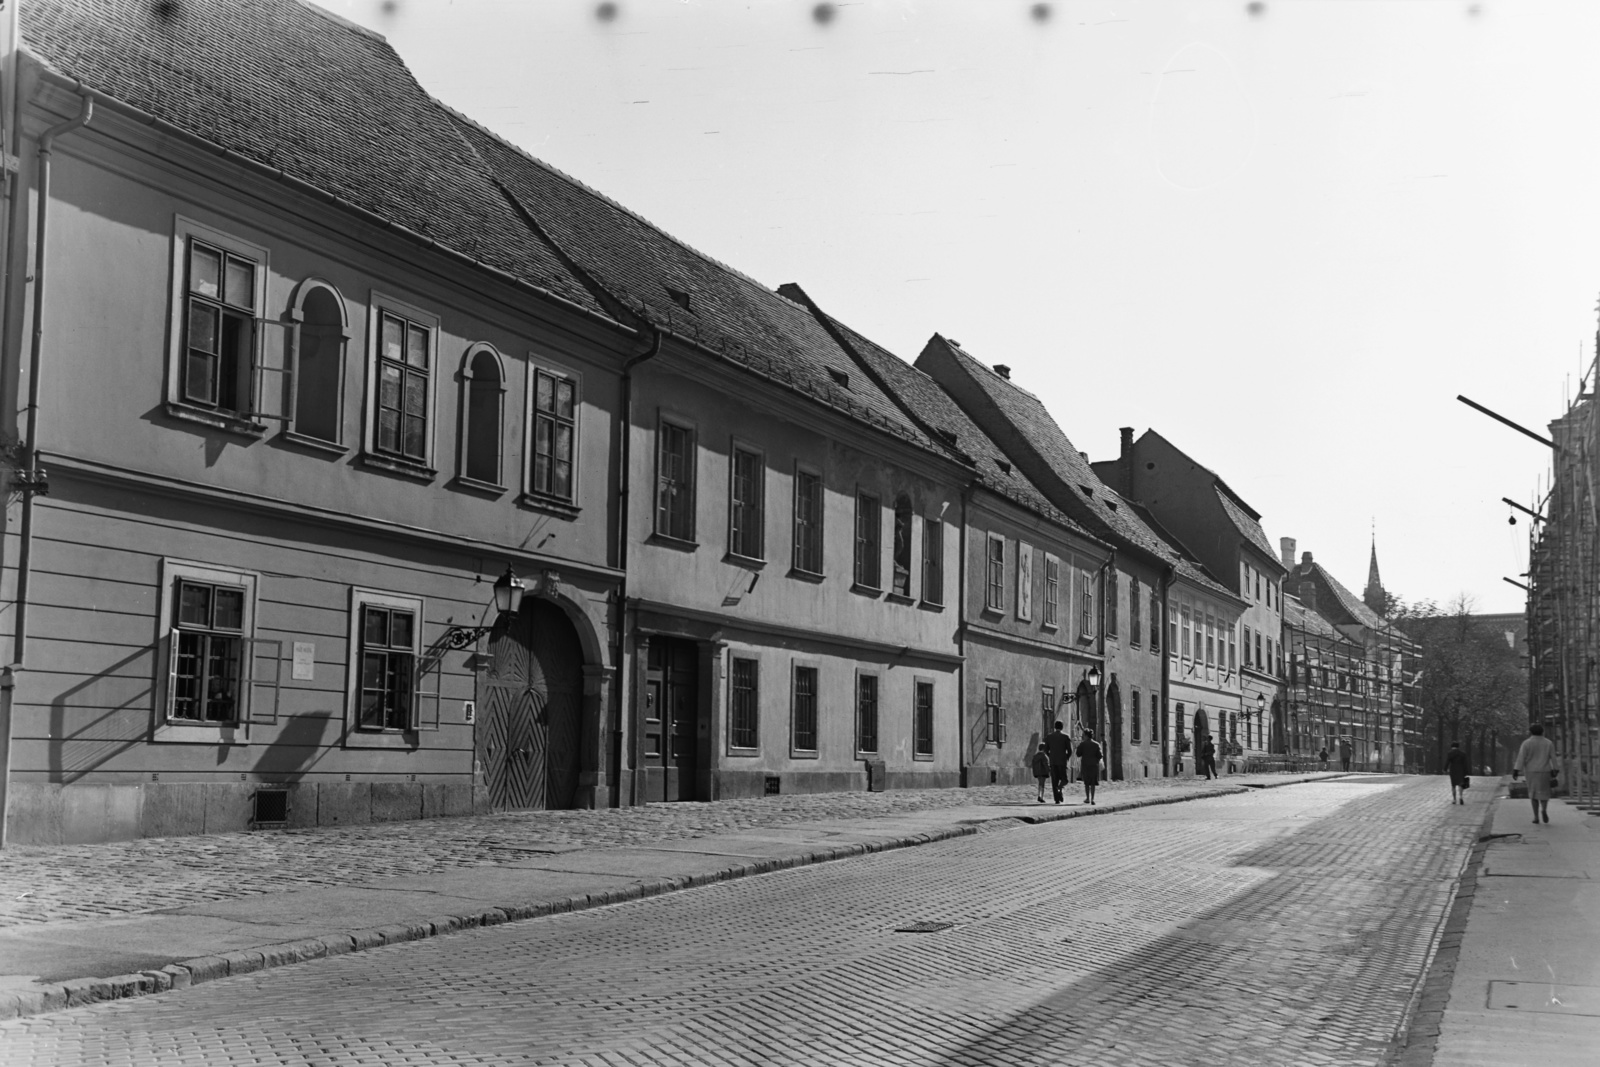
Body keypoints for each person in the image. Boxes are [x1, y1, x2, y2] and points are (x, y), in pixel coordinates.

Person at [1512, 723, 1558, 825]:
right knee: (1544, 793)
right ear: (1542, 732)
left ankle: (1536, 817)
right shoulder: (1548, 743)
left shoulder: (1526, 743)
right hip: (1545, 771)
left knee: (1533, 794)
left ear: (1530, 732)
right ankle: (1544, 809)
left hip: (1531, 771)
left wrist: (1516, 770)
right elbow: (1553, 757)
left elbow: (1521, 757)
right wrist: (1555, 769)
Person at [1043, 720, 1072, 805]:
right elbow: (1069, 750)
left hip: (1053, 761)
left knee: (1054, 780)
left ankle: (1056, 799)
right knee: (1065, 779)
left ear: (1055, 727)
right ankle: (1059, 788)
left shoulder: (1049, 737)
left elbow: (1045, 750)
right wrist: (1066, 757)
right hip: (1062, 762)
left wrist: (1050, 756)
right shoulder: (1065, 737)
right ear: (1062, 727)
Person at [1076, 728, 1104, 805]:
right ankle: (1093, 799)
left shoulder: (1082, 744)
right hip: (1094, 765)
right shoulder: (1096, 744)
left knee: (1087, 783)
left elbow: (1078, 754)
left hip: (1085, 765)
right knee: (1093, 783)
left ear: (1086, 735)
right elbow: (1100, 755)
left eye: (1083, 735)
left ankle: (1087, 798)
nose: (1083, 737)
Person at [1444, 741, 1470, 805]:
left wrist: (1445, 769)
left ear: (1452, 746)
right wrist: (1466, 771)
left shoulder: (1450, 753)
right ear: (1458, 747)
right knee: (1461, 784)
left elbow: (1447, 762)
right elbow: (1465, 763)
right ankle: (1461, 797)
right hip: (1461, 770)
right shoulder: (1462, 754)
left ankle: (1454, 799)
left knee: (1453, 785)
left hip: (1453, 770)